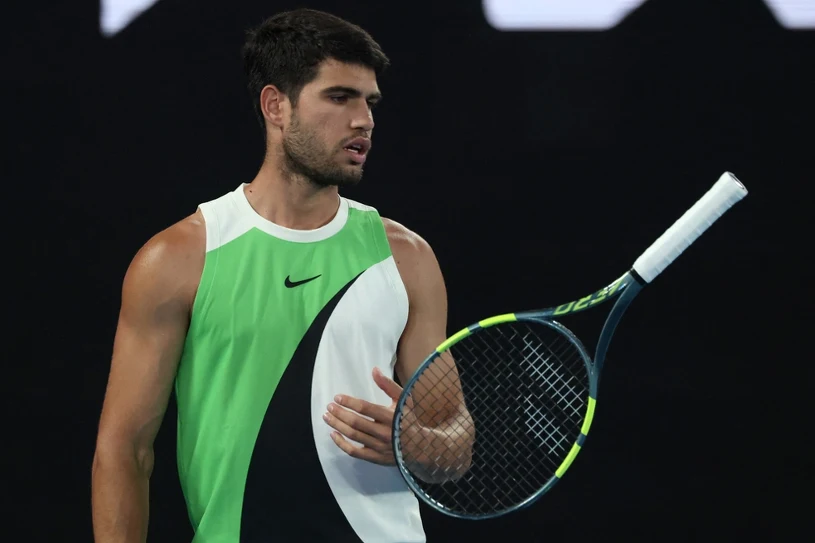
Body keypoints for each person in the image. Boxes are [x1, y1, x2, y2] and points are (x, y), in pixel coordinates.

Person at [91, 8, 473, 543]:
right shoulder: (178, 257)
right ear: (276, 105)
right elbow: (123, 451)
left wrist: (419, 444)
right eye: (339, 97)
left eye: (370, 102)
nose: (363, 120)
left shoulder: (406, 257)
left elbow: (454, 439)